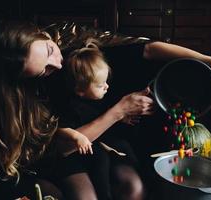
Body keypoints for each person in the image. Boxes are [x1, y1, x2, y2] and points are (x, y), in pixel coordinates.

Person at [0, 20, 211, 200]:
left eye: (50, 51)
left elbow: (148, 49)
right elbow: (62, 147)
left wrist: (208, 60)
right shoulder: (33, 93)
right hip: (70, 152)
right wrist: (120, 110)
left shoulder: (83, 51)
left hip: (111, 143)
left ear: (46, 36)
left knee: (134, 189)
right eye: (44, 70)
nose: (56, 64)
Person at [54, 39, 144, 200]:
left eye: (106, 82)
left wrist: (121, 118)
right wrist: (77, 136)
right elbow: (61, 129)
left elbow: (105, 114)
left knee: (112, 166)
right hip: (76, 152)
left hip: (101, 146)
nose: (106, 87)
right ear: (80, 90)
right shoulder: (69, 105)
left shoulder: (101, 97)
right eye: (100, 84)